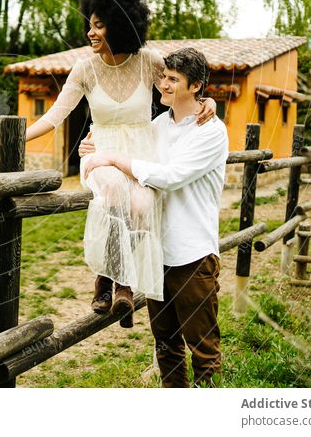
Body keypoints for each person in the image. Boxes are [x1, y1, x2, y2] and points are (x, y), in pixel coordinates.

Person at [0, 0, 215, 327]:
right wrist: (10, 139)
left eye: (99, 25)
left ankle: (115, 284)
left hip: (140, 153)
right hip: (99, 150)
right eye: (90, 23)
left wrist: (209, 101)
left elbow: (183, 84)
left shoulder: (147, 61)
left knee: (142, 205)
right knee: (115, 191)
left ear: (118, 25)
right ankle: (117, 285)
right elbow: (55, 116)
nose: (90, 32)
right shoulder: (84, 69)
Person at [81, 47, 228, 387]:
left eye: (173, 79)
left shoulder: (211, 131)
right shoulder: (157, 125)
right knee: (167, 347)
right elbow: (124, 144)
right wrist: (95, 148)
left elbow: (170, 176)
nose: (163, 84)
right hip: (156, 253)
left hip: (192, 256)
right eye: (163, 76)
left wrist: (116, 159)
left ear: (196, 87)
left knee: (203, 350)